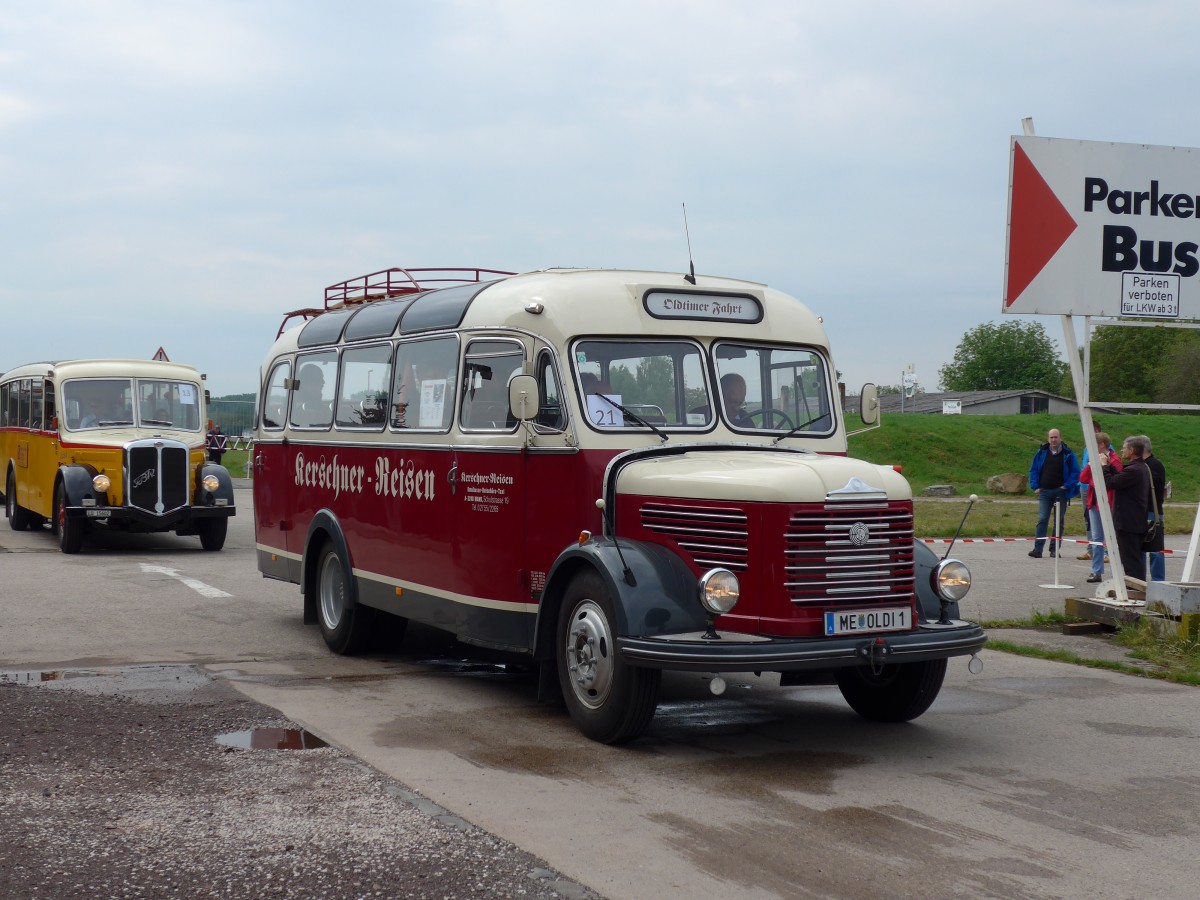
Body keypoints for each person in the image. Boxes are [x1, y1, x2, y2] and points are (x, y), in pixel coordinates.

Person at [1027, 428, 1081, 558]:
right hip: (1044, 491)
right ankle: (1037, 549)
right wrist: (1035, 486)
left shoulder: (1068, 454)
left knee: (1059, 521)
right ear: (1048, 438)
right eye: (1051, 437)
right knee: (1042, 519)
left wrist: (1066, 486)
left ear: (1060, 438)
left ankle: (1054, 549)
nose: (1053, 440)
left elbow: (1075, 472)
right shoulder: (1041, 452)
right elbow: (1033, 470)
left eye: (1056, 437)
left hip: (1060, 492)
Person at [1106, 436, 1152, 582]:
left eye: (1124, 448)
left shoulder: (1135, 470)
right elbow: (1120, 478)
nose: (1121, 450)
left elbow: (1111, 482)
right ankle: (1135, 586)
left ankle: (1136, 588)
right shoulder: (1139, 467)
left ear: (1132, 451)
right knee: (1132, 559)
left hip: (1128, 522)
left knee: (1131, 561)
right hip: (1134, 521)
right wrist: (1110, 466)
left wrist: (1103, 466)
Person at [1078, 432, 1121, 583]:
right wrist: (1090, 464)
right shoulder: (1093, 459)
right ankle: (1096, 571)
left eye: (1093, 444)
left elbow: (1115, 480)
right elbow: (1083, 478)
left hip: (1109, 503)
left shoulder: (1115, 459)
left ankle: (1116, 573)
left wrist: (1105, 465)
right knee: (1096, 538)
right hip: (1094, 502)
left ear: (1102, 445)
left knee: (1112, 537)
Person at [1137, 434, 1167, 581]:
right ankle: (1139, 580)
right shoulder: (1142, 465)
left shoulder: (1154, 465)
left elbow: (1153, 489)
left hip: (1152, 512)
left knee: (1155, 550)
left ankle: (1158, 582)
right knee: (1139, 549)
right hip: (1141, 512)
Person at [1077, 419, 1103, 559]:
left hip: (1097, 488)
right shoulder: (1087, 449)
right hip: (1085, 488)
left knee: (1101, 520)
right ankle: (1091, 549)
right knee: (1088, 519)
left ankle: (1104, 550)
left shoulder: (1107, 450)